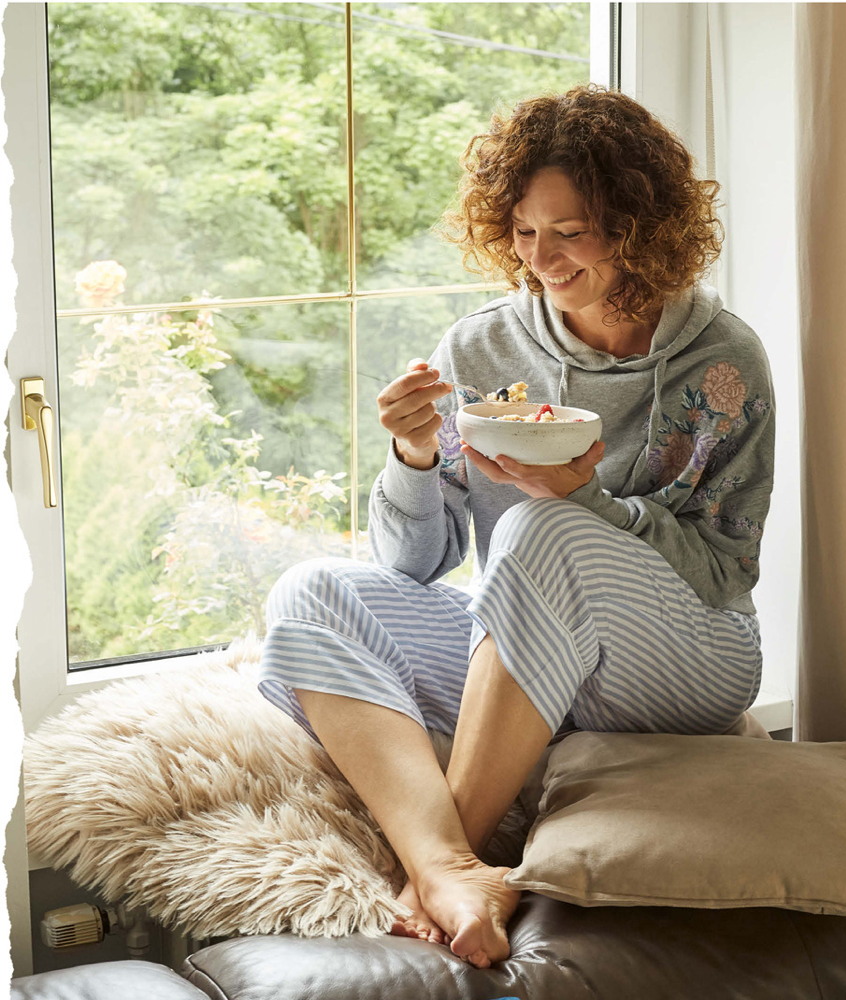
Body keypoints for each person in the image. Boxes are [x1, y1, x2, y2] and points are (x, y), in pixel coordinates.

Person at [258, 84, 774, 968]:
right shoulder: (483, 348)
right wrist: (414, 454)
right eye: (526, 231)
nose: (541, 258)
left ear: (639, 227)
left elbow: (724, 569)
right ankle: (449, 868)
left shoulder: (722, 361)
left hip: (690, 657)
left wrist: (584, 502)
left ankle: (440, 858)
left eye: (570, 231)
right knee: (313, 589)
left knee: (543, 529)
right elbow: (414, 564)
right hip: (534, 656)